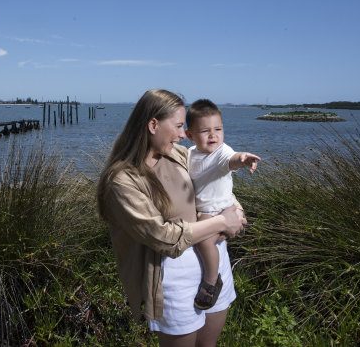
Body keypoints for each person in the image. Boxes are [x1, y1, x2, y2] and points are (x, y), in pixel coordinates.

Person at [96, 89, 247, 346]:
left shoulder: (176, 154)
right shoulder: (123, 180)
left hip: (216, 267)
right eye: (178, 126)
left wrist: (236, 209)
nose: (181, 134)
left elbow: (212, 183)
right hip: (174, 282)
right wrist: (223, 222)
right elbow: (162, 237)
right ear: (153, 124)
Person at [184, 99, 261, 310]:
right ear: (190, 135)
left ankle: (211, 280)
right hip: (206, 208)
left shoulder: (221, 152)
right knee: (207, 235)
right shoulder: (190, 154)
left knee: (203, 241)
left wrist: (243, 158)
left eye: (218, 129)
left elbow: (231, 159)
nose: (213, 135)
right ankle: (229, 232)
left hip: (219, 207)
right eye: (205, 131)